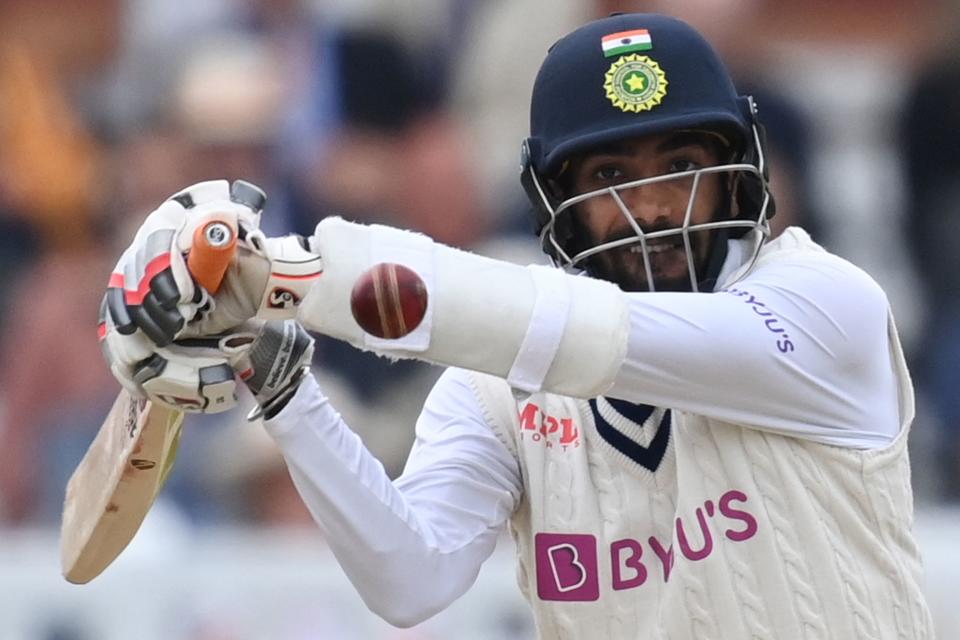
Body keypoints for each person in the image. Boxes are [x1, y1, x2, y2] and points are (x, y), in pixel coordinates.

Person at [98, 13, 934, 638]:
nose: (649, 208)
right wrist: (285, 386)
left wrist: (279, 274)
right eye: (610, 174)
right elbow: (410, 580)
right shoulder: (498, 388)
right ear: (553, 202)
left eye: (681, 168)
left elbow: (593, 338)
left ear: (736, 175)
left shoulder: (827, 308)